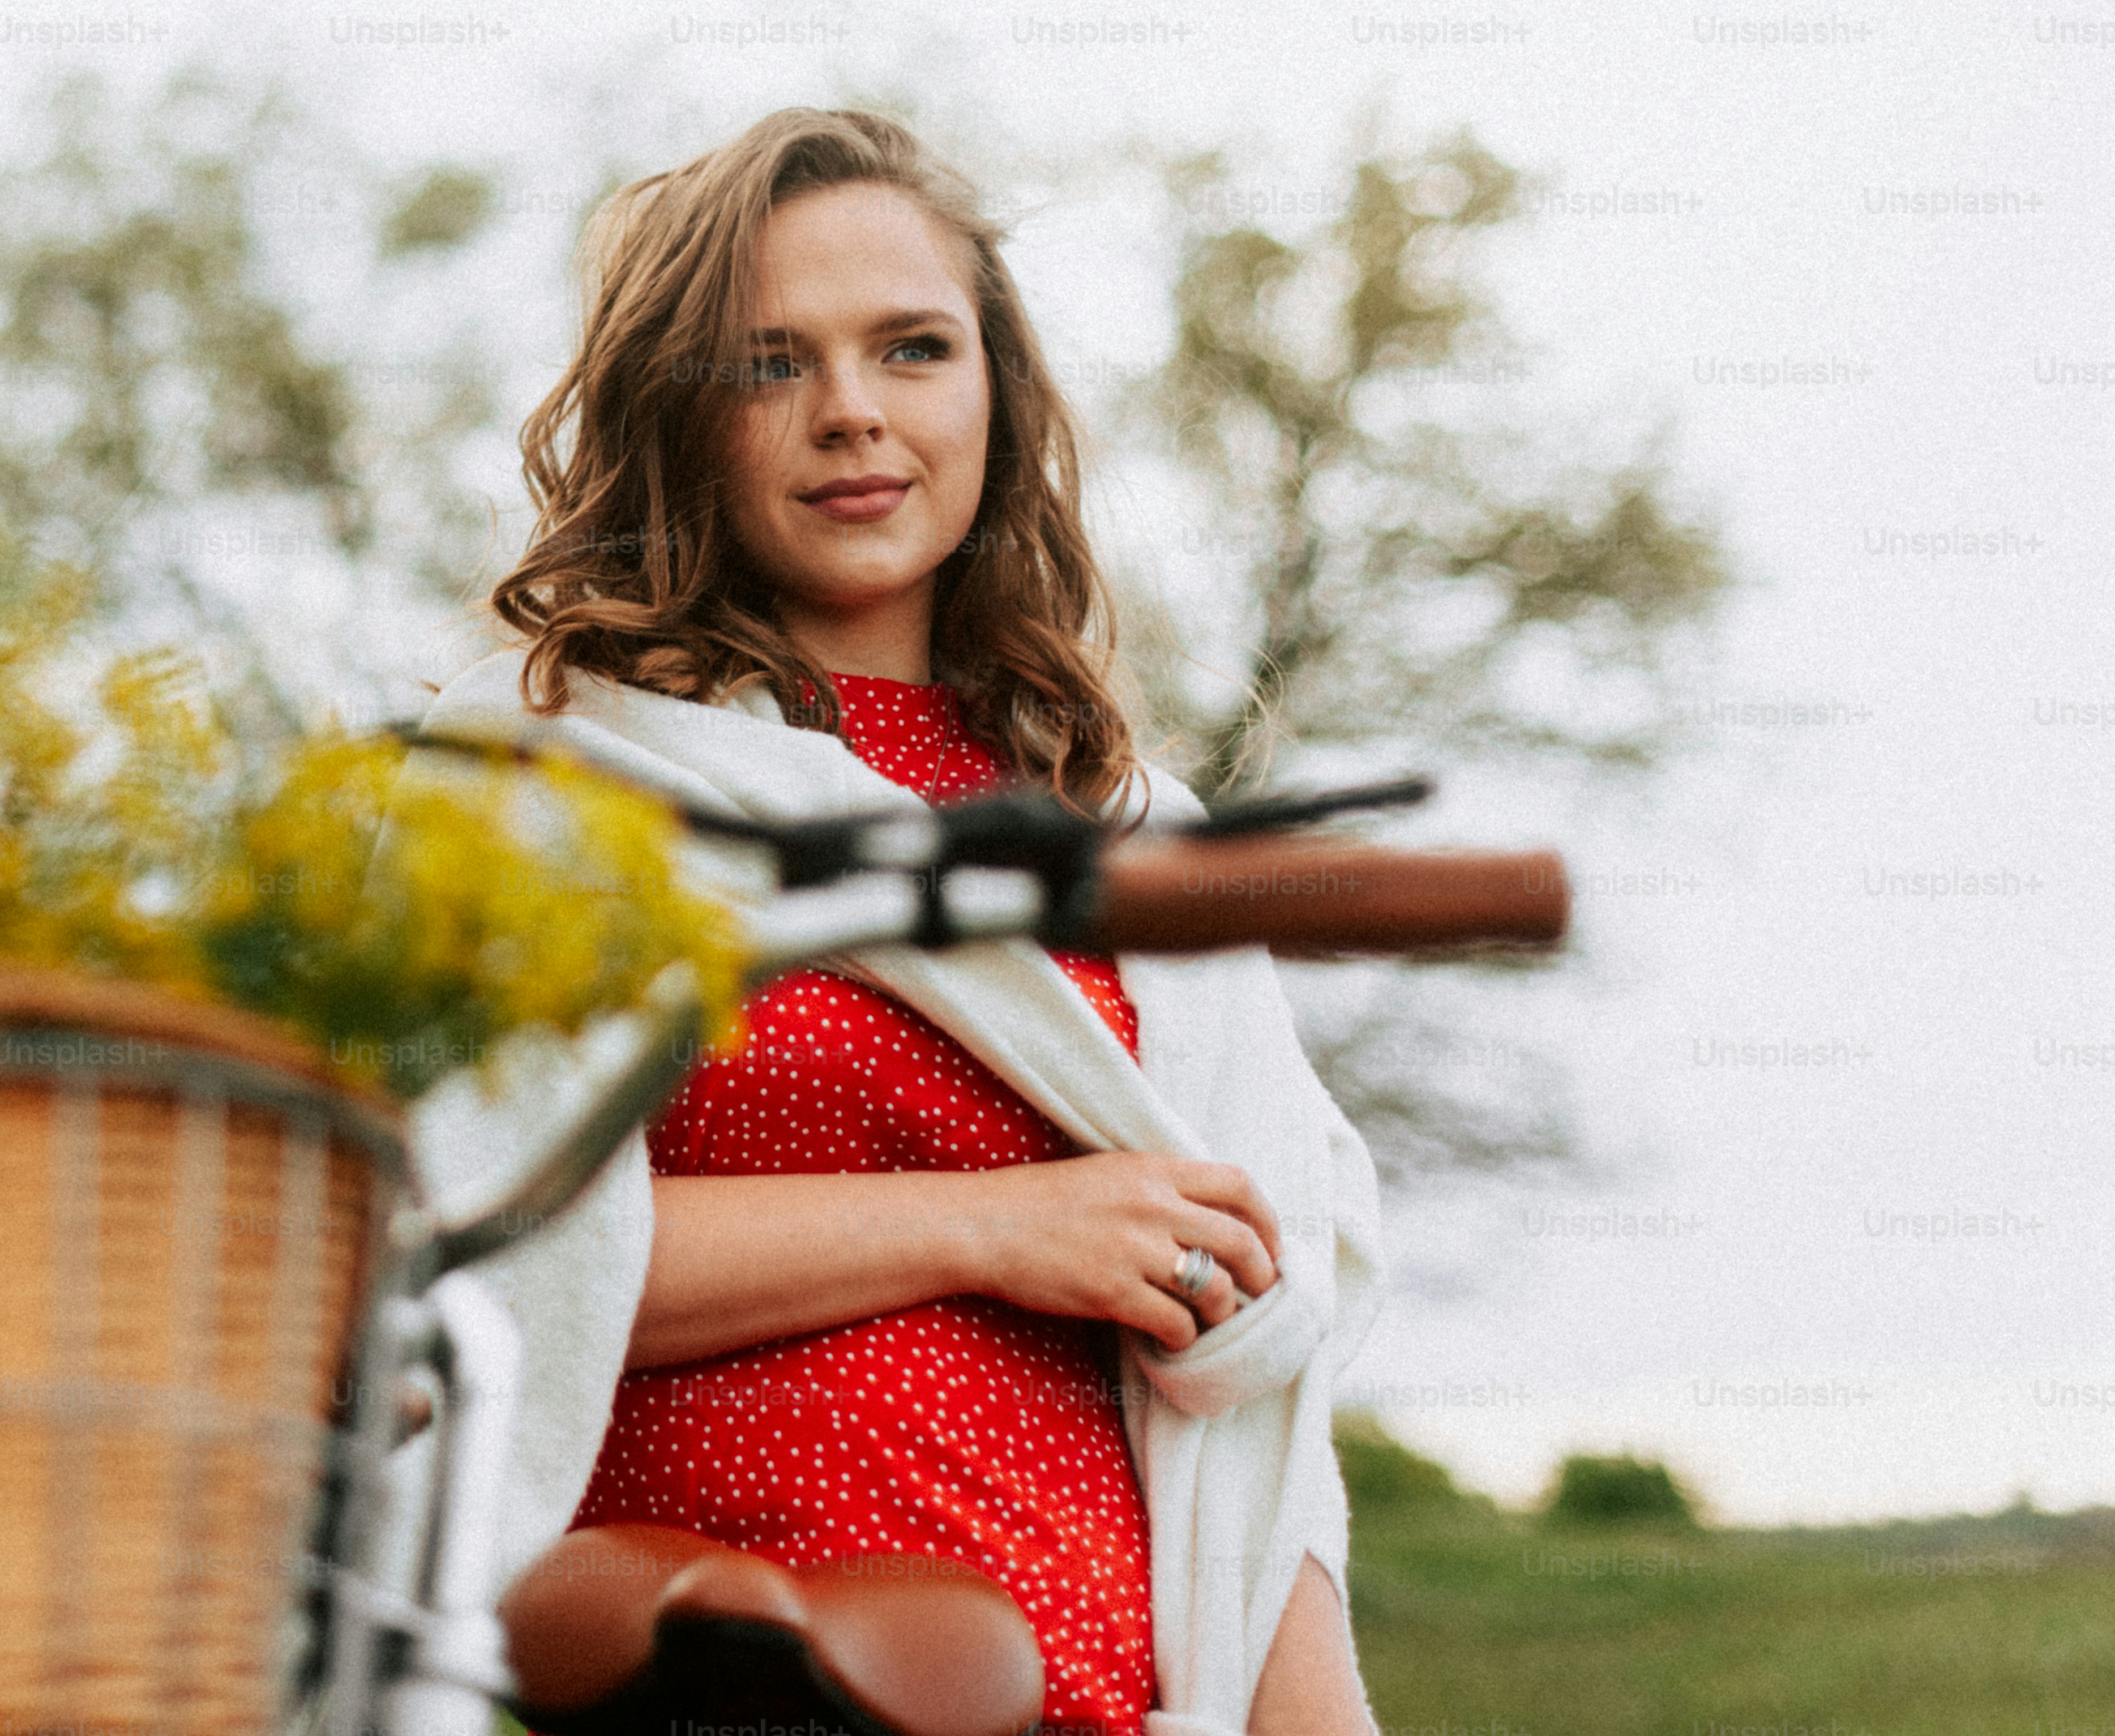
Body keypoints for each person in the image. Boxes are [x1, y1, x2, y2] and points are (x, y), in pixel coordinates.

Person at [404, 108, 1382, 1736]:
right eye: (769, 363)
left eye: (912, 348)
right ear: (675, 413)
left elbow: (1259, 1421)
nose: (851, 412)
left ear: (994, 389)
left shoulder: (1133, 845)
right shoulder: (540, 793)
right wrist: (994, 1225)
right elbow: (451, 1257)